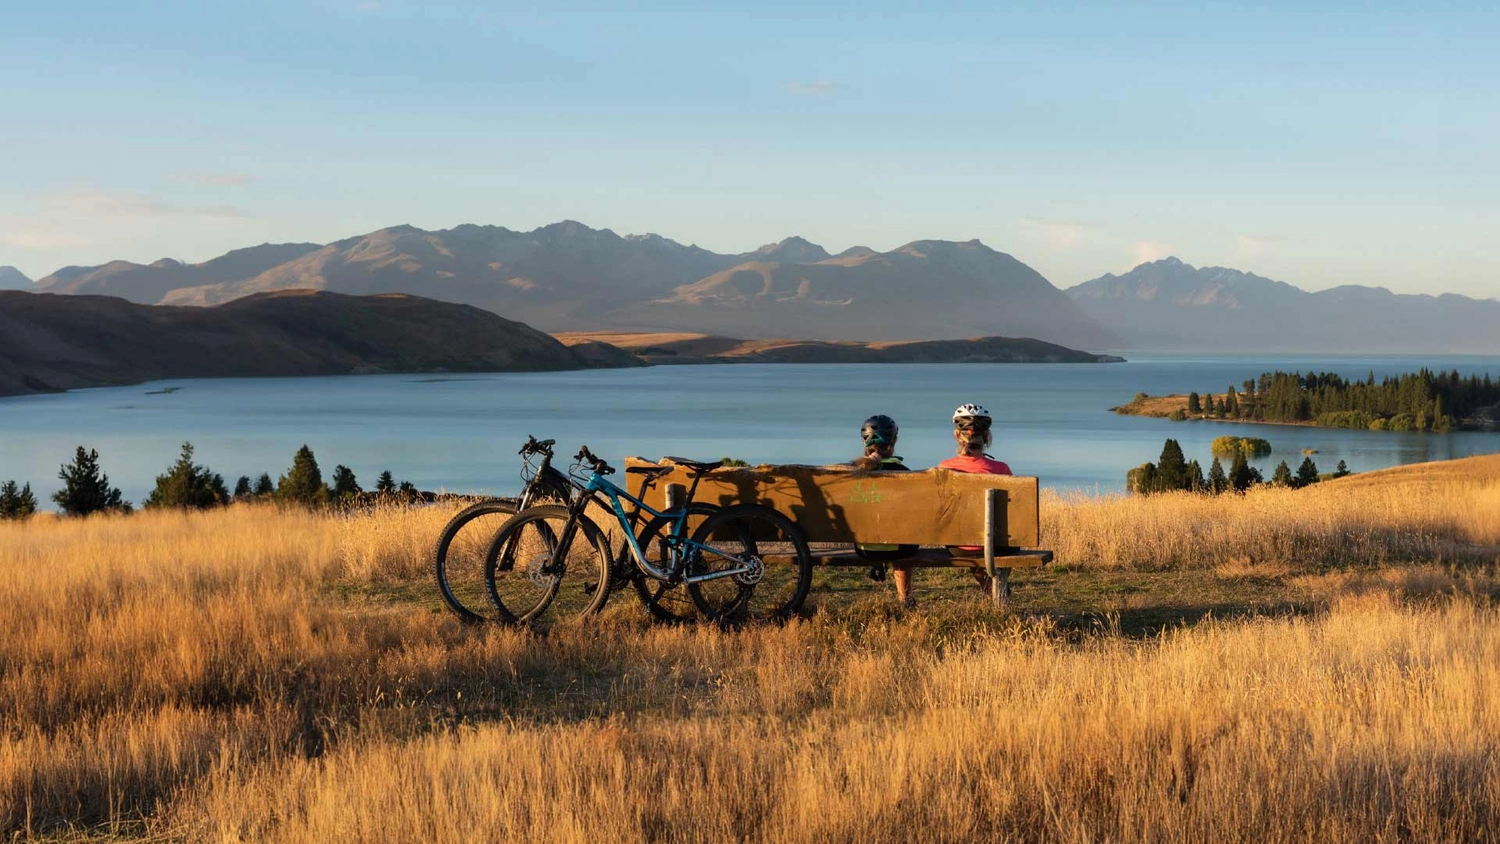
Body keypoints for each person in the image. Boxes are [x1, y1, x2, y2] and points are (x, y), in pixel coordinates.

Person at [933, 403, 1012, 600]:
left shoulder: (944, 468)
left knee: (965, 537)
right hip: (996, 544)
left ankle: (988, 586)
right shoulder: (1001, 469)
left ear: (956, 435)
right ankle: (997, 591)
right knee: (1005, 542)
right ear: (986, 437)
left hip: (959, 546)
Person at [851, 415, 919, 588]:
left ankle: (878, 564)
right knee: (903, 534)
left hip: (864, 548)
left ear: (864, 442)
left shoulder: (852, 474)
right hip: (901, 549)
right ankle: (905, 598)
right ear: (894, 442)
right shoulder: (905, 474)